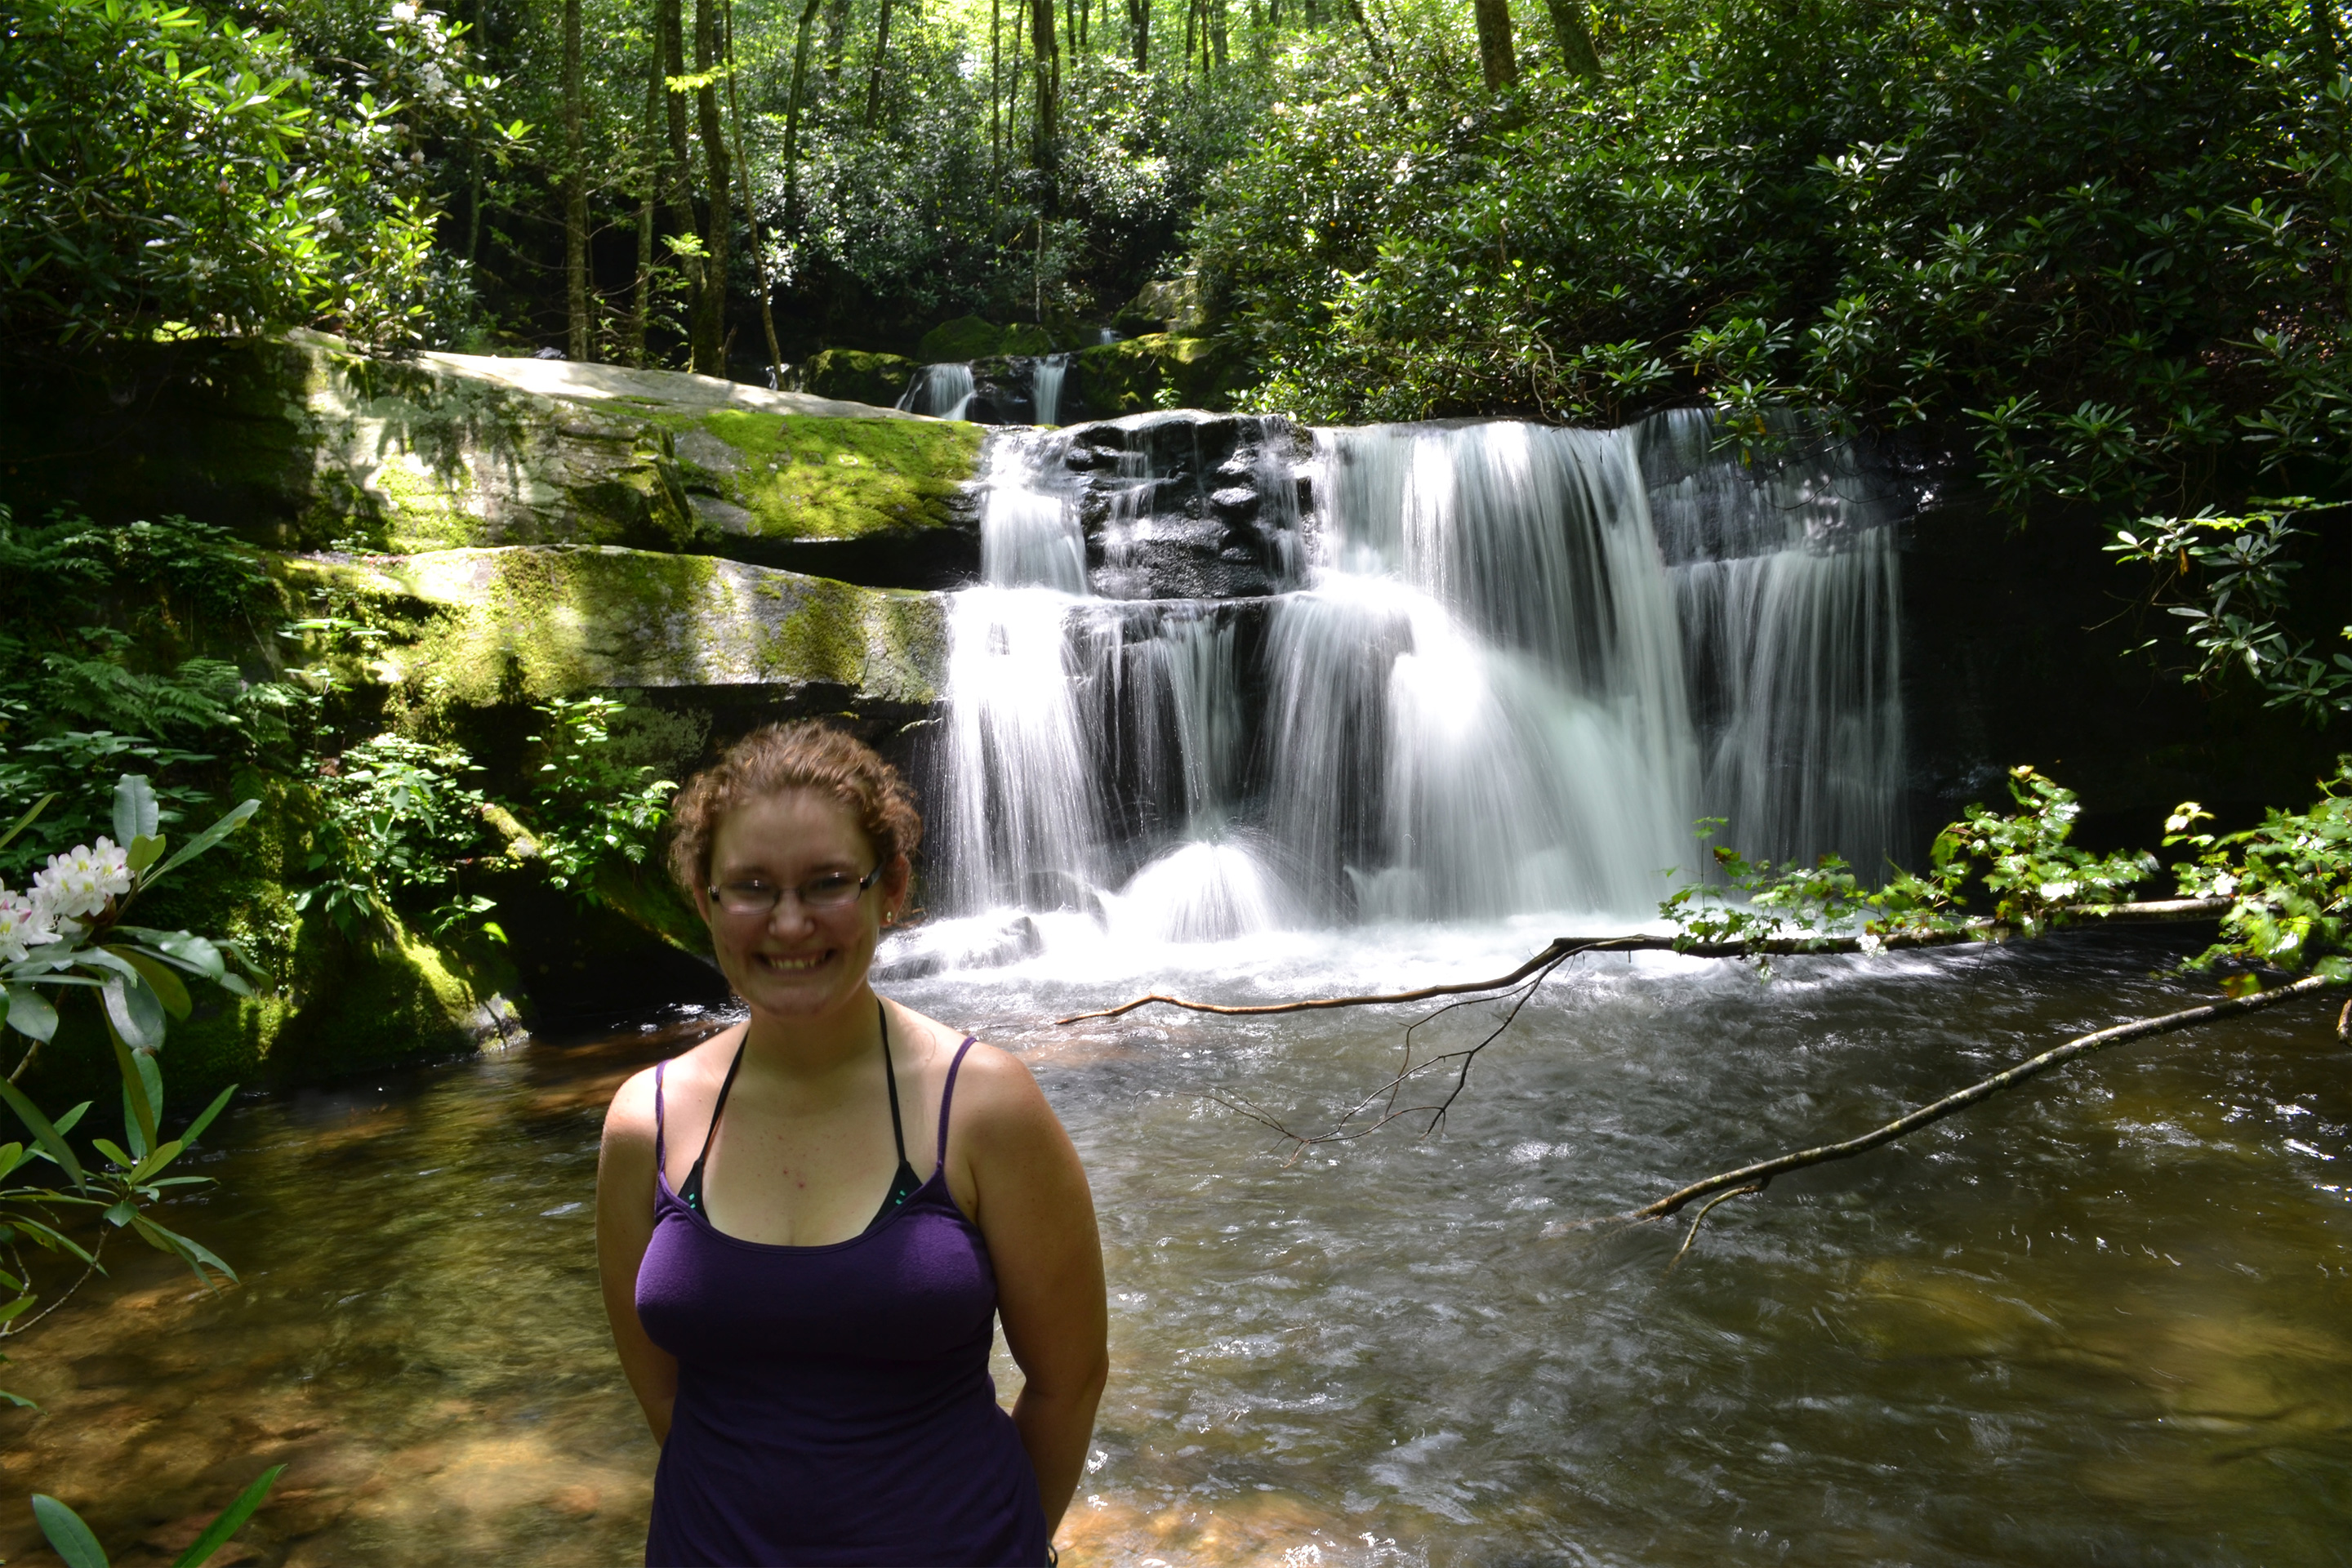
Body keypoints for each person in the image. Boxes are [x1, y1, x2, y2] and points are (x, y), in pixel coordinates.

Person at [595, 721, 1108, 1566]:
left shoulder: (984, 1106)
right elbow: (667, 1397)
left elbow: (1069, 1382)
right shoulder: (645, 1123)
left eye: (827, 882)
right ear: (704, 898)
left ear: (890, 889)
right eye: (751, 886)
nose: (789, 923)